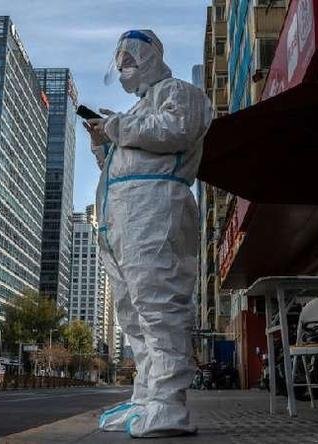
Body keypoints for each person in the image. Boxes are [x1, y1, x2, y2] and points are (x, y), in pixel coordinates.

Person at [84, 29, 213, 438]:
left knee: (159, 304)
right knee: (133, 313)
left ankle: (169, 404)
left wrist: (116, 127)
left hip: (156, 210)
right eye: (119, 58)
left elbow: (175, 130)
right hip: (124, 216)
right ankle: (146, 396)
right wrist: (101, 143)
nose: (123, 63)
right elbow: (124, 162)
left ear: (152, 55)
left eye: (130, 55)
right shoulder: (137, 110)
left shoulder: (178, 91)